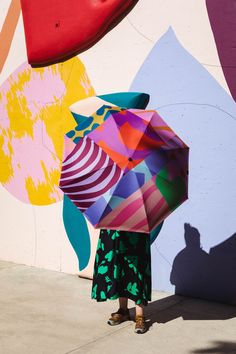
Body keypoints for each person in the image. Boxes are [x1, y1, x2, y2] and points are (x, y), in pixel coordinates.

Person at [91, 228, 151, 334]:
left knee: (137, 271)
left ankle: (139, 316)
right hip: (114, 230)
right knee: (118, 269)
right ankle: (123, 311)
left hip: (136, 229)